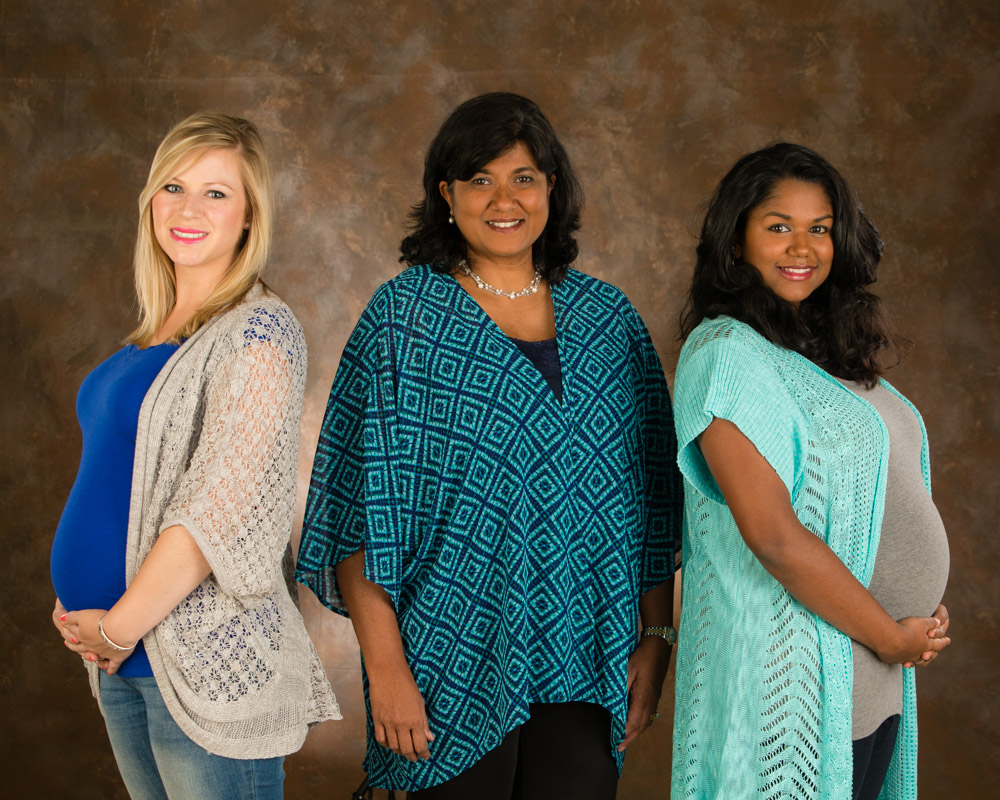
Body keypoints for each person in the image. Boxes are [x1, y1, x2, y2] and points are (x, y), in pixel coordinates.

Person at [296, 92, 681, 798]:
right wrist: (386, 670)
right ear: (446, 195)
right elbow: (356, 511)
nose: (505, 200)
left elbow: (652, 502)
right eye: (481, 180)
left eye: (524, 178)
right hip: (448, 656)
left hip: (585, 654)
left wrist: (656, 641)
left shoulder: (609, 322)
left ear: (552, 188)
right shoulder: (404, 320)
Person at [49, 111, 340, 800]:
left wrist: (117, 627)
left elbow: (219, 510)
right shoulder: (149, 338)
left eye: (216, 193)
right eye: (173, 187)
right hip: (120, 663)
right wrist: (78, 606)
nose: (188, 209)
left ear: (249, 216)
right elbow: (113, 481)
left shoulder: (259, 332)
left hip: (202, 665)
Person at [671, 142, 951, 799]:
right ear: (735, 241)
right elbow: (773, 536)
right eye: (779, 227)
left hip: (871, 676)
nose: (802, 247)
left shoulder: (819, 349)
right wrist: (890, 634)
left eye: (819, 228)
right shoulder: (727, 353)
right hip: (793, 686)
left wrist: (910, 624)